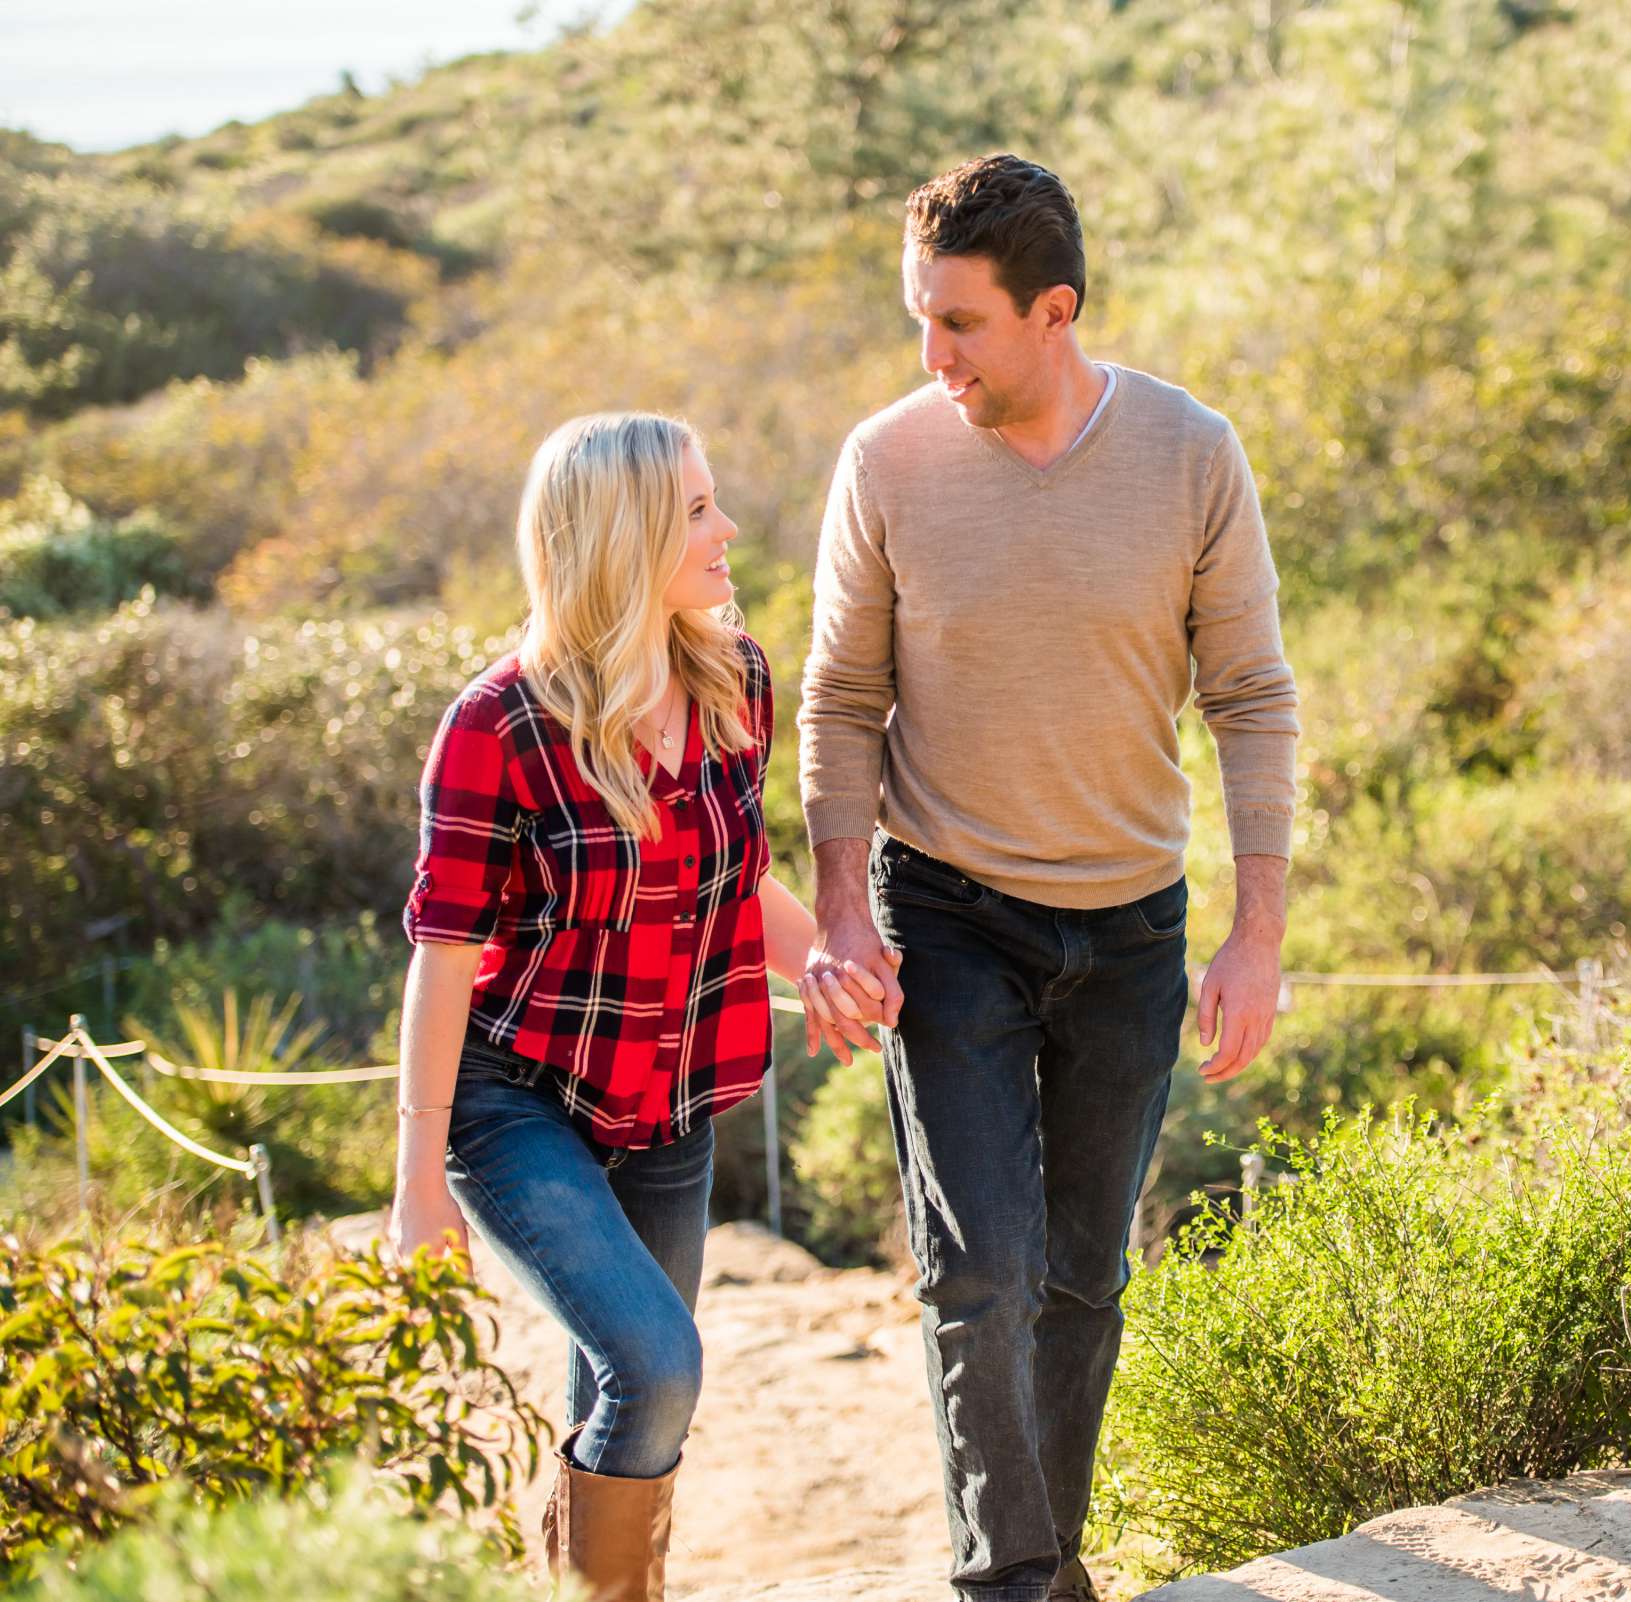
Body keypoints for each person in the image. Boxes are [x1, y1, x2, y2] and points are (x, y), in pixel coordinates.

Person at [797, 154, 1301, 1602]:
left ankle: (1052, 1556)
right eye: (920, 318)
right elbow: (840, 699)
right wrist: (841, 906)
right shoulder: (884, 461)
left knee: (1083, 1276)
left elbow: (1253, 695)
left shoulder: (1192, 452)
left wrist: (1255, 934)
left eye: (957, 323)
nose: (929, 355)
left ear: (1053, 309)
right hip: (945, 910)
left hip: (1134, 923)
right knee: (979, 1269)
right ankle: (1010, 1580)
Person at [388, 411, 863, 1602]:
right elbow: (444, 956)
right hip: (518, 1104)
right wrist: (415, 1187)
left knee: (619, 1387)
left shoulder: (733, 676)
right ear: (624, 534)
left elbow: (740, 878)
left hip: (675, 1099)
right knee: (657, 1369)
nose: (729, 530)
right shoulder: (494, 725)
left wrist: (827, 967)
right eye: (698, 510)